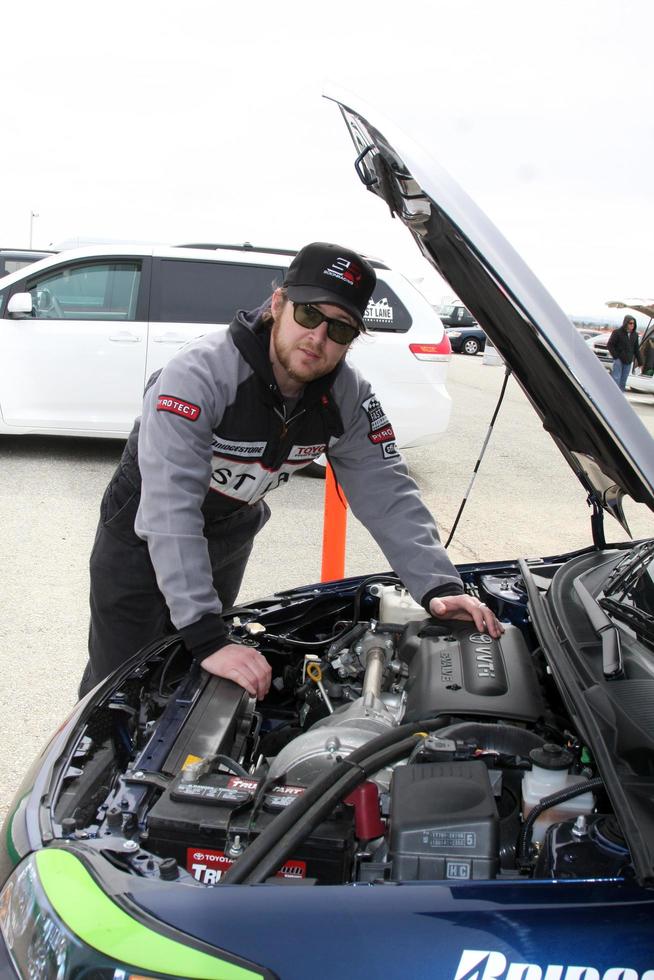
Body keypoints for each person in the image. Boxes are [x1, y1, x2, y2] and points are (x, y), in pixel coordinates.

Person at [79, 242, 502, 700]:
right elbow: (169, 506)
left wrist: (436, 583)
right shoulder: (198, 375)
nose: (318, 338)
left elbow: (388, 492)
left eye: (339, 329)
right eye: (308, 315)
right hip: (141, 529)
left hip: (229, 528)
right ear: (277, 305)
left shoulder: (348, 398)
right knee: (118, 680)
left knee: (192, 675)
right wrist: (207, 634)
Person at [607, 315, 640, 391]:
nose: (632, 325)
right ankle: (613, 394)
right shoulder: (617, 332)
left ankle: (620, 397)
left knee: (623, 380)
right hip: (619, 360)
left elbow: (636, 349)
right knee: (616, 378)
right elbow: (610, 345)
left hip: (628, 361)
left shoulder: (635, 335)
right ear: (626, 323)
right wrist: (616, 356)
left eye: (633, 323)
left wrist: (640, 362)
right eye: (630, 323)